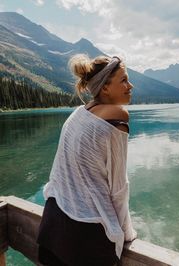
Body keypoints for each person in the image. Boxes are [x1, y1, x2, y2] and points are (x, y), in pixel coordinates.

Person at [37, 54, 137, 266]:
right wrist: (126, 234)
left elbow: (58, 174)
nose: (131, 85)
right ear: (105, 88)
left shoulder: (77, 114)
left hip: (52, 226)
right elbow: (119, 188)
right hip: (85, 239)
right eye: (124, 80)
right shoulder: (117, 117)